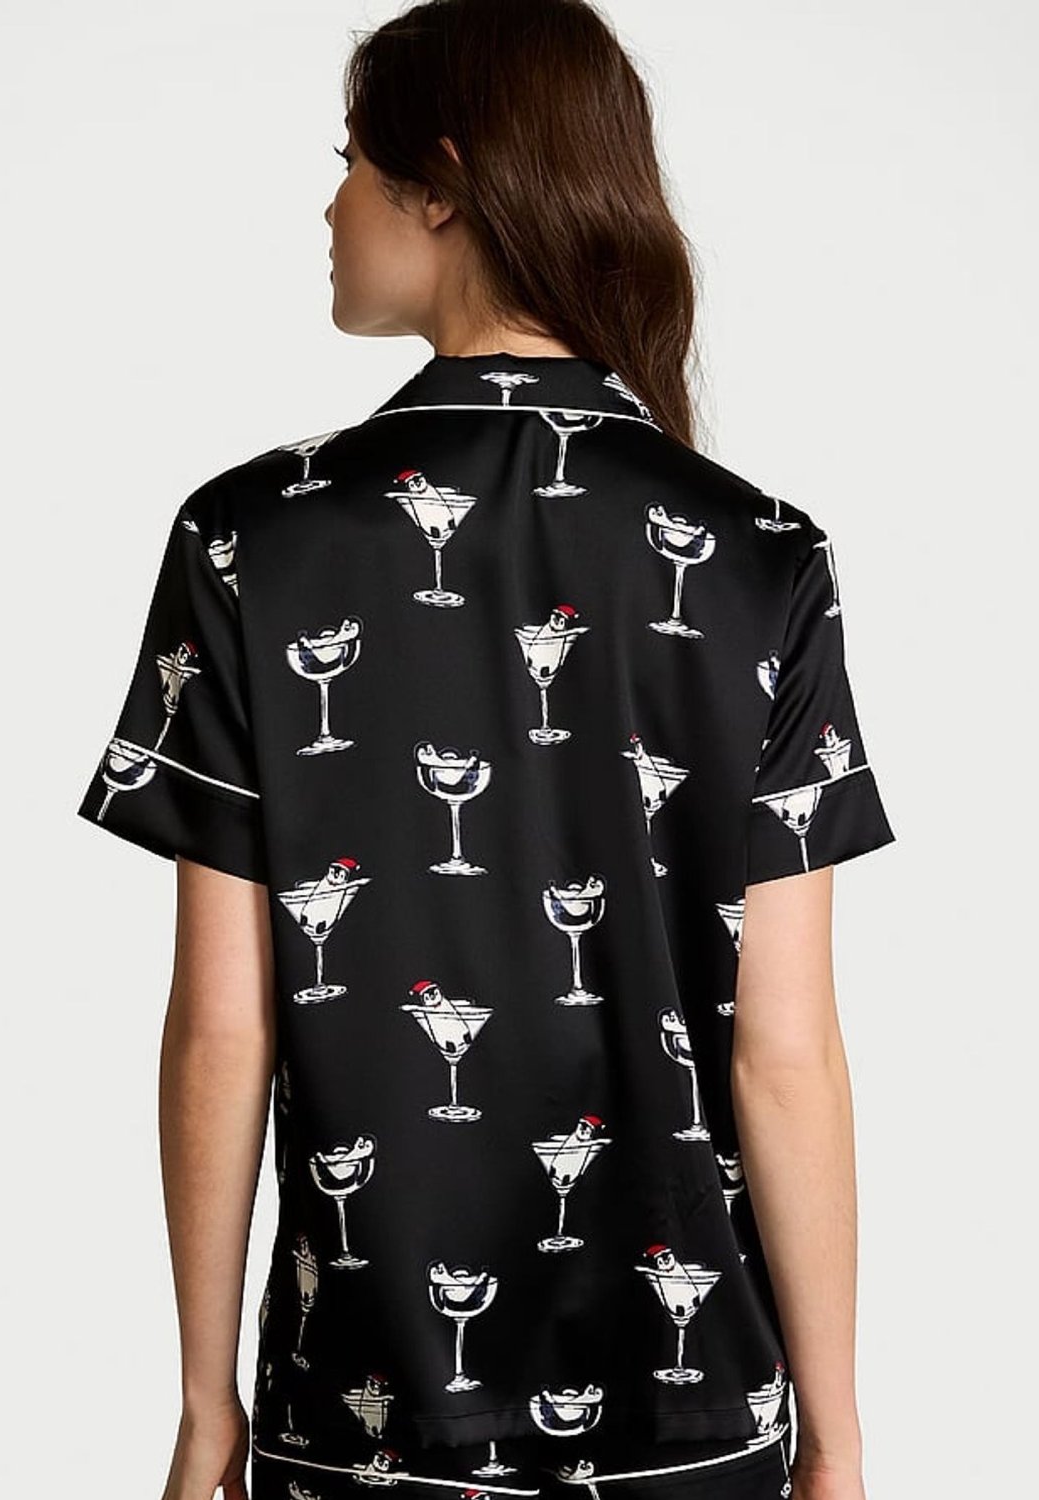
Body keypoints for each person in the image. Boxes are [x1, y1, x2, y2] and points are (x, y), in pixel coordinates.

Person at [75, 3, 894, 1498]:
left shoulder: (251, 539)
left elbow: (221, 1026)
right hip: (694, 1421)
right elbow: (786, 1052)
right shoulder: (762, 554)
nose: (330, 205)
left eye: (348, 161)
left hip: (364, 1412)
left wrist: (205, 1407)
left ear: (440, 181)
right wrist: (836, 1444)